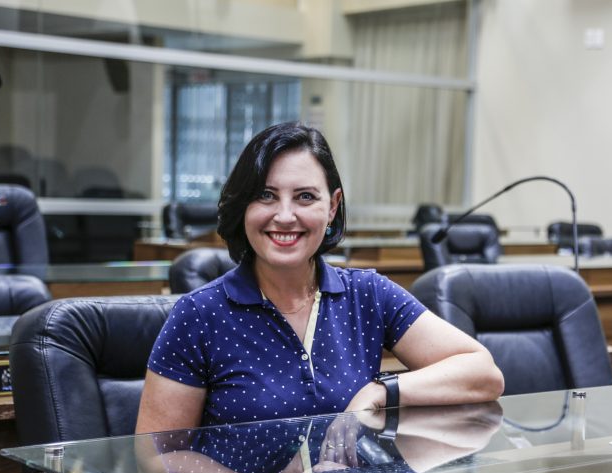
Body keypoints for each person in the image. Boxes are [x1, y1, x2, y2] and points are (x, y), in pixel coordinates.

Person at [136, 122, 503, 435]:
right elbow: (158, 460)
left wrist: (380, 392)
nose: (284, 215)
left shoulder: (368, 294)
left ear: (332, 206)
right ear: (243, 205)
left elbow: (483, 373)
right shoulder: (199, 315)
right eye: (265, 195)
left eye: (305, 197)